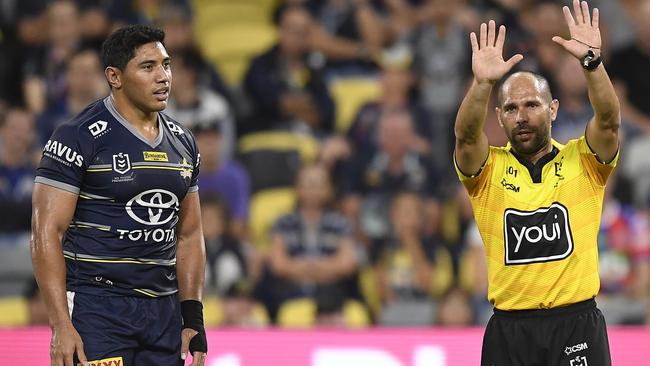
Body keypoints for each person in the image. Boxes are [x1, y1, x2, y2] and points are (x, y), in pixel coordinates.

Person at [453, 1, 620, 365]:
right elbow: (466, 138)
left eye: (532, 105)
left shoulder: (584, 161)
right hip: (510, 330)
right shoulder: (486, 171)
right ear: (499, 116)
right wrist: (482, 84)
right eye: (511, 109)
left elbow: (608, 122)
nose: (521, 117)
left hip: (576, 324)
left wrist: (592, 63)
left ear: (554, 109)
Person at [30, 25, 207, 366]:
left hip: (163, 314)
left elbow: (189, 234)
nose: (164, 77)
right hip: (97, 310)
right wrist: (60, 325)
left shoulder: (183, 142)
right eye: (148, 67)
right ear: (115, 76)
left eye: (166, 64)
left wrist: (192, 318)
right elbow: (46, 232)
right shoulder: (77, 137)